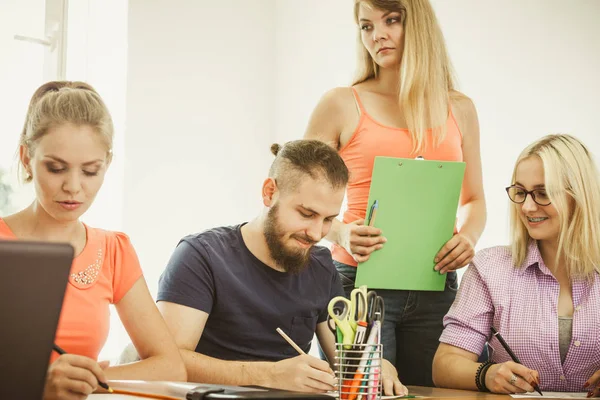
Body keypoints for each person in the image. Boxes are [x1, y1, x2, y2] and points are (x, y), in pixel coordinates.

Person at [302, 0, 486, 386]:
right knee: (366, 391)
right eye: (366, 26)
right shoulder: (340, 103)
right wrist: (342, 233)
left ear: (418, 25)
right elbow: (300, 202)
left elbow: (474, 200)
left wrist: (467, 238)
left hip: (437, 284)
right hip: (357, 282)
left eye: (391, 20)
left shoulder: (460, 109)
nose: (377, 35)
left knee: (433, 392)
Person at [156, 140, 407, 396]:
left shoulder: (321, 265)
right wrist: (270, 375)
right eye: (306, 214)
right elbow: (167, 362)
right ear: (269, 192)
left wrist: (377, 366)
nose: (316, 233)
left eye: (328, 220)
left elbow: (347, 362)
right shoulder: (201, 256)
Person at [0, 81, 186, 400]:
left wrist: (85, 379)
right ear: (26, 157)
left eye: (90, 171)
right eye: (56, 168)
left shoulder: (114, 250)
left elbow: (170, 367)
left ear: (107, 165)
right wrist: (36, 384)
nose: (73, 186)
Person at [432, 134, 600, 396]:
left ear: (578, 196)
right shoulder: (490, 268)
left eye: (543, 193)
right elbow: (444, 365)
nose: (527, 207)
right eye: (521, 192)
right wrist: (486, 374)